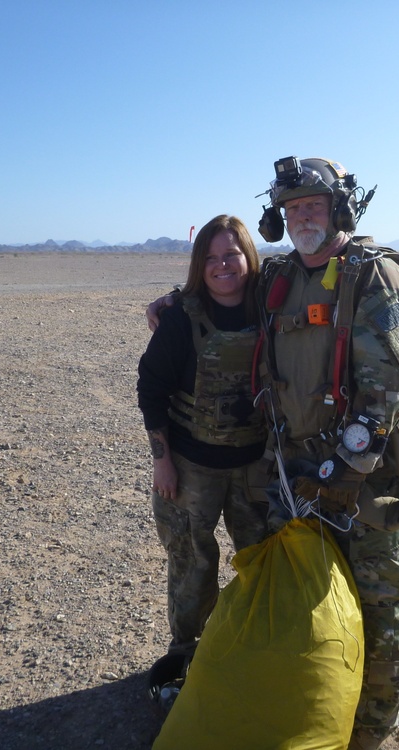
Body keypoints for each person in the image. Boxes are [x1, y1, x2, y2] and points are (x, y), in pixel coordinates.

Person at [148, 157, 399, 749]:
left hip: (365, 483)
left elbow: (390, 390)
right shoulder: (282, 277)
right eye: (293, 208)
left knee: (376, 613)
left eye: (314, 206)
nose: (303, 217)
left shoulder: (375, 278)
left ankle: (368, 733)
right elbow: (222, 285)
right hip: (295, 477)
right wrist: (172, 302)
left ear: (339, 210)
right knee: (301, 600)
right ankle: (304, 714)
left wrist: (343, 474)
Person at [136, 214, 269, 678]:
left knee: (262, 560)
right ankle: (185, 652)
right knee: (192, 563)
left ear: (248, 256)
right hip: (192, 467)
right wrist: (163, 462)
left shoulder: (273, 306)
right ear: (199, 265)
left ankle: (256, 645)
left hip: (257, 466)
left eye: (231, 254)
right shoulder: (181, 319)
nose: (222, 266)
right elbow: (151, 389)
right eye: (210, 258)